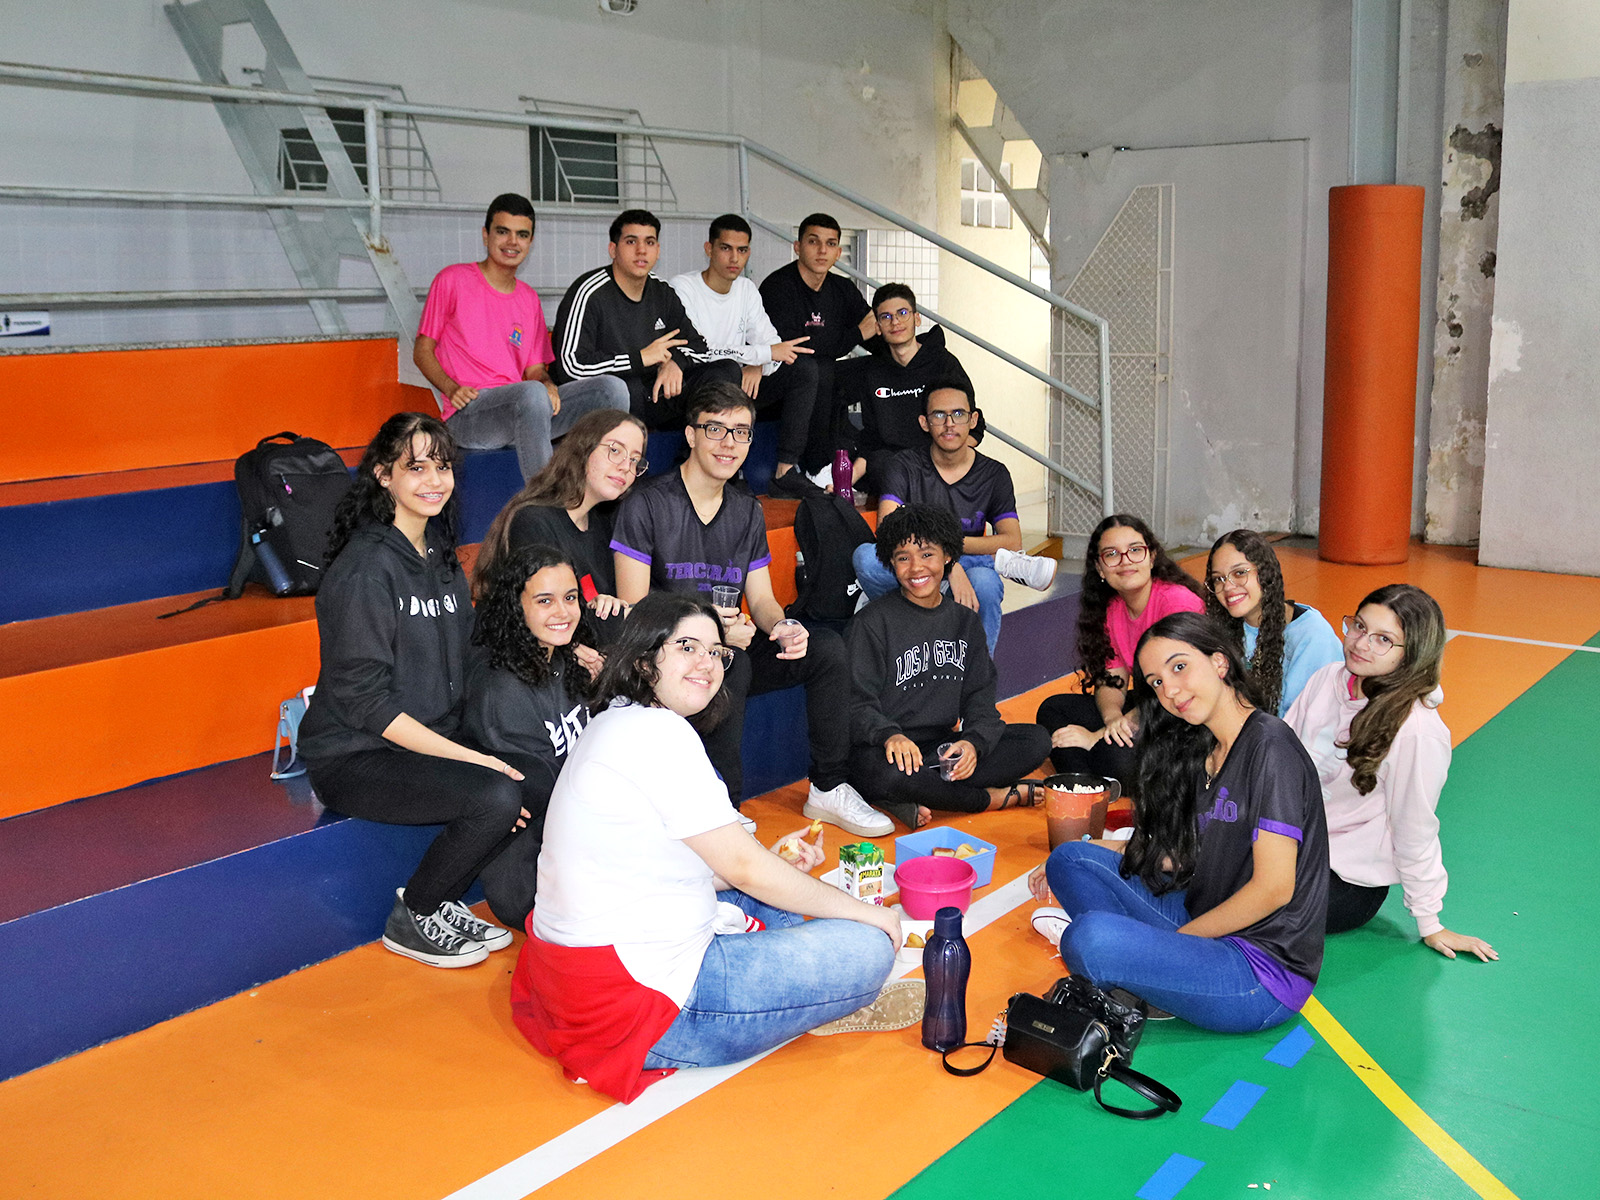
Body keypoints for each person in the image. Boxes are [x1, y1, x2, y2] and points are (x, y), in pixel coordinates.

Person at [508, 591, 902, 1104]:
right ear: (644, 659)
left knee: (781, 896)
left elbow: (674, 860)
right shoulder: (660, 736)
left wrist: (768, 865)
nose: (707, 664)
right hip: (643, 1005)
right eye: (688, 647)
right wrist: (872, 916)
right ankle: (797, 1003)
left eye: (716, 651)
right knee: (867, 946)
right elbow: (744, 868)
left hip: (576, 981)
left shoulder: (617, 718)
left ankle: (792, 996)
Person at [297, 413, 540, 968]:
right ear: (383, 475)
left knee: (534, 773)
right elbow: (367, 703)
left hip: (425, 740)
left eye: (444, 466)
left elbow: (471, 655)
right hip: (357, 755)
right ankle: (417, 911)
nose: (435, 480)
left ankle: (448, 897)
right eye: (417, 467)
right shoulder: (365, 570)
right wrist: (474, 759)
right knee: (496, 794)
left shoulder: (438, 554)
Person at [612, 380, 892, 837]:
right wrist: (711, 633)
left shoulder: (746, 510)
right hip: (665, 656)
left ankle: (828, 787)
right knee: (732, 663)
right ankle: (723, 808)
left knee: (825, 649)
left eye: (741, 432)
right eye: (716, 429)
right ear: (691, 435)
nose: (729, 443)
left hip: (725, 643)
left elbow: (760, 600)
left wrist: (783, 625)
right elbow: (635, 609)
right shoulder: (647, 502)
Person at [1029, 612, 1329, 1032]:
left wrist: (1175, 945)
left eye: (1179, 667)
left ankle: (1141, 965)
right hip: (1206, 921)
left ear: (1219, 662)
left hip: (1260, 973)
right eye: (1155, 681)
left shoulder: (1270, 747)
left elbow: (1274, 889)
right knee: (1069, 858)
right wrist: (1095, 850)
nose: (1169, 690)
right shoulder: (1206, 747)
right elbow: (1185, 855)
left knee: (1088, 938)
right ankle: (1150, 973)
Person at [1285, 585, 1498, 961]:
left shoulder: (1416, 731)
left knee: (1233, 895)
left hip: (1343, 881)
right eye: (1359, 626)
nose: (1361, 643)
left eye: (1383, 639)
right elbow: (1280, 759)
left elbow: (1414, 828)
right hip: (1290, 843)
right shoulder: (1326, 679)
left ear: (1411, 653)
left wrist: (1430, 922)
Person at [848, 505, 1052, 830]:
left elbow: (981, 701)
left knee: (1036, 740)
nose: (916, 567)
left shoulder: (965, 622)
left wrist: (972, 744)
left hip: (941, 747)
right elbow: (856, 704)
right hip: (888, 748)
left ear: (947, 557)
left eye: (927, 554)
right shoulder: (871, 622)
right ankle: (989, 799)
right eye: (903, 558)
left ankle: (911, 795)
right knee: (876, 772)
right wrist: (890, 736)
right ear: (891, 563)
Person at [413, 193, 629, 480]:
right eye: (503, 232)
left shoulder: (528, 299)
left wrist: (547, 384)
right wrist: (451, 389)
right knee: (531, 394)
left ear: (530, 241)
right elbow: (422, 350)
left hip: (525, 408)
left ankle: (598, 485)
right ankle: (546, 499)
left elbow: (535, 371)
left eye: (522, 235)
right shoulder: (452, 279)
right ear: (486, 235)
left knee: (612, 390)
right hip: (469, 415)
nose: (512, 242)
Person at [851, 381, 1058, 654]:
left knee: (985, 584)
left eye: (958, 414)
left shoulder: (994, 474)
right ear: (924, 423)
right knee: (866, 558)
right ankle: (995, 563)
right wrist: (950, 566)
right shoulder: (903, 465)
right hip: (917, 566)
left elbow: (1011, 540)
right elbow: (887, 530)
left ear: (973, 420)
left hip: (962, 568)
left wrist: (948, 556)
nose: (949, 424)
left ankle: (979, 675)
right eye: (939, 415)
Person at [459, 544, 604, 930]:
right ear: (516, 605)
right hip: (532, 876)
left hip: (579, 840)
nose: (563, 612)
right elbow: (548, 797)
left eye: (570, 598)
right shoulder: (502, 688)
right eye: (545, 601)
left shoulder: (565, 660)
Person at [1036, 514, 1205, 788]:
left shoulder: (1176, 602)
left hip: (1181, 714)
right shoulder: (1113, 608)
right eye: (1112, 554)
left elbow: (1175, 691)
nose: (1125, 561)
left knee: (1114, 756)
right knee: (1053, 710)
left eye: (1135, 550)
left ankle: (1090, 774)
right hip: (1145, 705)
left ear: (1152, 557)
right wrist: (1112, 719)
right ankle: (1089, 783)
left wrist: (1098, 737)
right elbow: (1111, 680)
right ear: (1100, 568)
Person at [549, 208, 741, 428]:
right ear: (613, 249)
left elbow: (699, 347)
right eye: (631, 242)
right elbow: (571, 367)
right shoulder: (589, 292)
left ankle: (692, 447)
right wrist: (639, 359)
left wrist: (676, 363)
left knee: (727, 371)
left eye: (649, 242)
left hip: (655, 391)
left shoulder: (662, 292)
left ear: (657, 251)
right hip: (610, 399)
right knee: (625, 387)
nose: (641, 250)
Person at [474, 408, 648, 644]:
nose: (626, 466)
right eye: (615, 450)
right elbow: (539, 618)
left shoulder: (603, 523)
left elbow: (600, 616)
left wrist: (609, 606)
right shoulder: (533, 521)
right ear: (583, 448)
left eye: (635, 460)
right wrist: (576, 645)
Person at [669, 214, 815, 491]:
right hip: (693, 386)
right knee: (726, 369)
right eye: (726, 248)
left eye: (742, 250)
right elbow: (699, 351)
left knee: (804, 369)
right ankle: (713, 471)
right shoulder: (683, 287)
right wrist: (758, 355)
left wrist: (758, 364)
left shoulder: (746, 289)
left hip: (736, 383)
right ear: (709, 249)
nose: (735, 258)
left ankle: (785, 470)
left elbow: (773, 345)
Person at [758, 213, 879, 475]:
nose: (822, 250)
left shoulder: (843, 289)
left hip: (821, 378)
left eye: (831, 243)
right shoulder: (778, 287)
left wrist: (905, 347)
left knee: (881, 366)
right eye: (814, 242)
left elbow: (873, 331)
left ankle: (877, 451)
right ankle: (816, 467)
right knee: (817, 369)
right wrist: (858, 333)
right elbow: (800, 349)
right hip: (779, 379)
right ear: (797, 247)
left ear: (838, 253)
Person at [841, 283, 975, 496]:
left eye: (902, 313)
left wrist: (946, 459)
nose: (895, 322)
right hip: (893, 468)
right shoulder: (873, 372)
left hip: (938, 463)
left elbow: (972, 427)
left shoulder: (943, 364)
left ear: (917, 318)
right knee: (884, 466)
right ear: (878, 327)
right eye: (886, 317)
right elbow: (871, 442)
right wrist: (845, 483)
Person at [1204, 529, 1343, 717]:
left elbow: (1311, 720)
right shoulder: (1223, 626)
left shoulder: (1312, 636)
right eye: (1218, 579)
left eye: (1239, 573)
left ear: (1265, 573)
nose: (1227, 586)